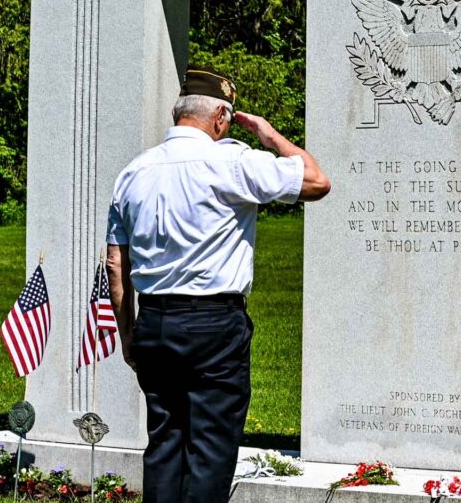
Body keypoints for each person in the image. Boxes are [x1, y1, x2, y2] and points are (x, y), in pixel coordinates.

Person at [105, 67, 330, 503]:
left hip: (154, 320)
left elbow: (117, 264)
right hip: (213, 323)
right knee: (210, 450)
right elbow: (317, 182)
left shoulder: (133, 172)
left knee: (165, 445)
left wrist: (129, 335)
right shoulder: (234, 161)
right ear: (221, 119)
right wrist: (269, 136)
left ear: (178, 114)